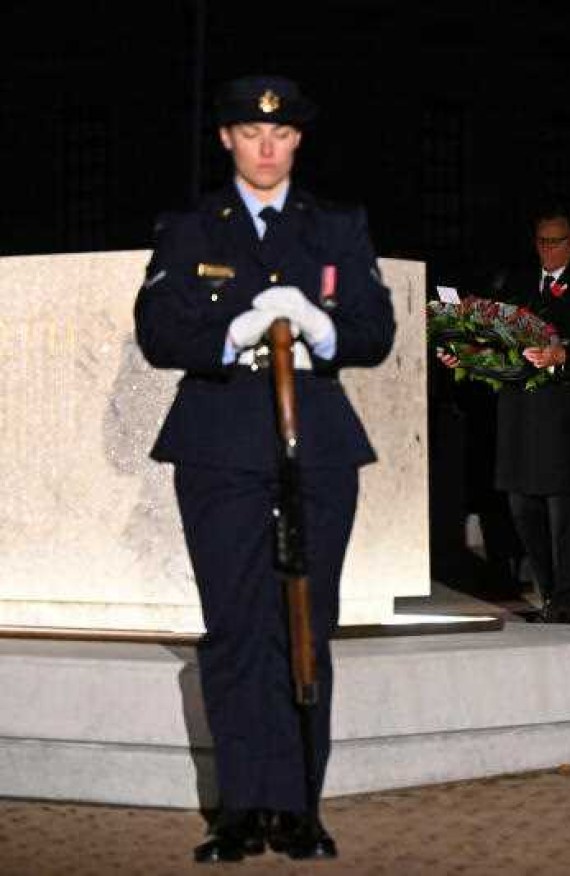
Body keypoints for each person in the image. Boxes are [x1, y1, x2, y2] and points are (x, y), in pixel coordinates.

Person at [134, 75, 396, 861]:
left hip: (315, 443)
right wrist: (230, 330)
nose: (267, 148)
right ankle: (241, 808)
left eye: (280, 136)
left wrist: (322, 329)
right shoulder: (190, 229)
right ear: (226, 140)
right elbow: (157, 330)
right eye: (251, 133)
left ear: (298, 143)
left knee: (306, 624)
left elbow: (374, 331)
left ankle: (298, 807)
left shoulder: (338, 227)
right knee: (237, 626)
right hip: (218, 445)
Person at [441, 206, 570, 622]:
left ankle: (567, 596)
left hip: (565, 416)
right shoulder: (518, 284)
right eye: (541, 241)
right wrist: (469, 359)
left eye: (555, 241)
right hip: (520, 415)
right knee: (521, 505)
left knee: (562, 511)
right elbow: (499, 343)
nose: (547, 250)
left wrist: (563, 355)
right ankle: (550, 590)